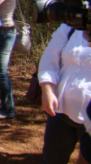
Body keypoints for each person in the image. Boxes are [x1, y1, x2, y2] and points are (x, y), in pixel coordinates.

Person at [39, 23, 91, 164]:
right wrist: (47, 89)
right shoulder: (71, 25)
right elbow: (49, 59)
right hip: (60, 110)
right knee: (52, 159)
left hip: (89, 119)